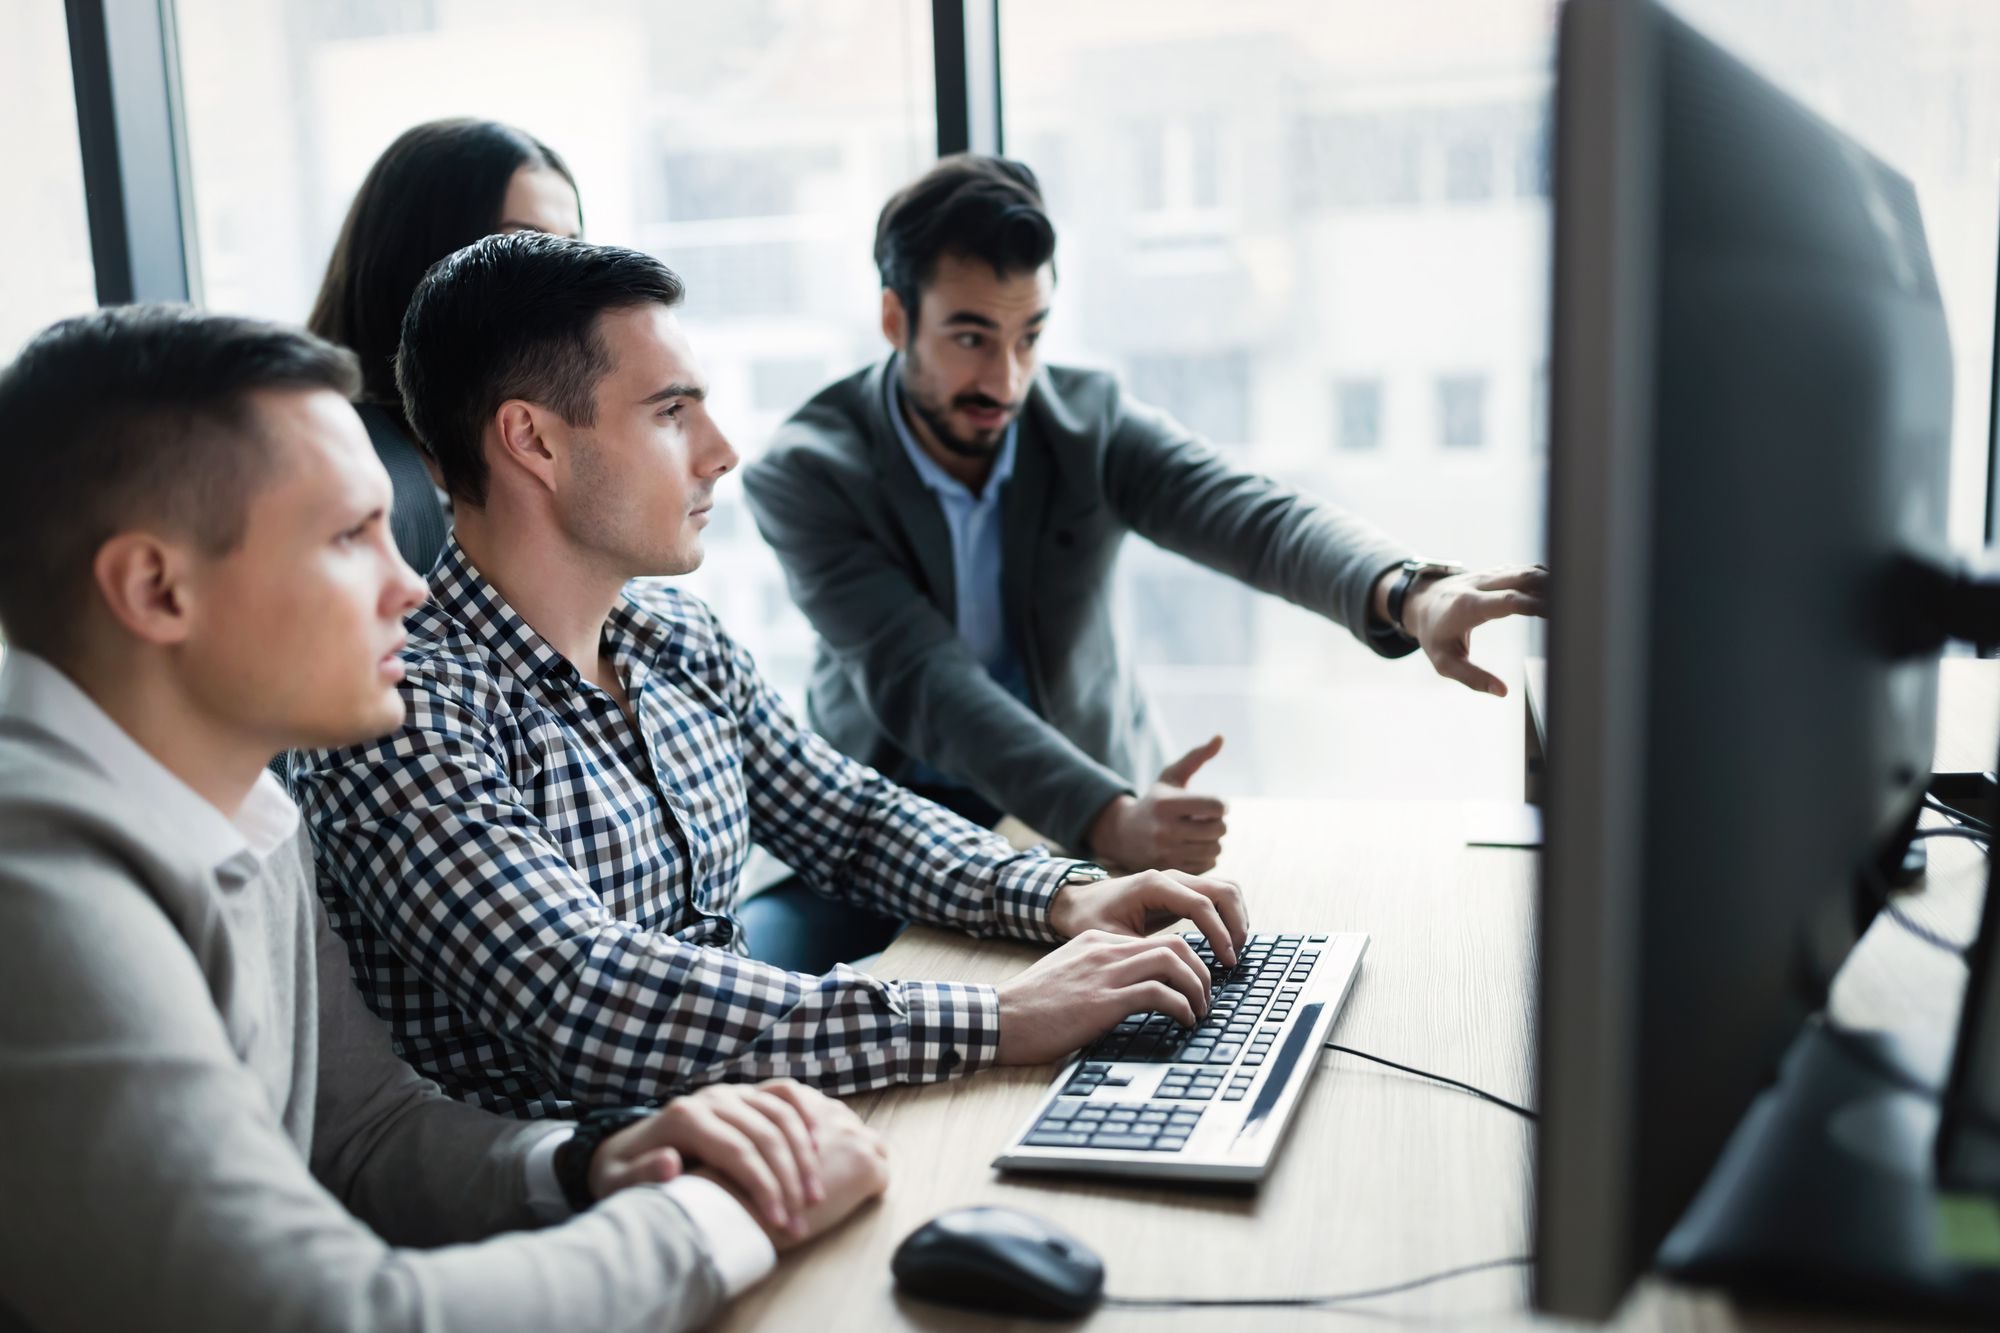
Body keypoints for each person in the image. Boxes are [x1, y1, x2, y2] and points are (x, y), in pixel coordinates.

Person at [0, 306, 889, 1333]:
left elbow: (363, 1131)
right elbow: (327, 1314)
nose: (411, 586)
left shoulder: (244, 804)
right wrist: (718, 1217)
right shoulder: (36, 893)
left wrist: (593, 1161)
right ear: (156, 590)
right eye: (348, 536)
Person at [292, 232, 1250, 1122]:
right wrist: (999, 1015)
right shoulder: (398, 701)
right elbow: (584, 998)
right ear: (533, 441)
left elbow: (846, 818)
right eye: (672, 412)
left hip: (774, 1135)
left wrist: (1062, 895)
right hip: (591, 1217)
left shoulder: (672, 632)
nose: (721, 451)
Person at [742, 154, 1549, 875]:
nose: (1009, 379)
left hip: (1095, 812)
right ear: (895, 320)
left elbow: (1256, 519)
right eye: (970, 338)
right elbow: (921, 676)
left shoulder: (1086, 422)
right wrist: (1107, 817)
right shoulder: (807, 473)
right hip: (903, 820)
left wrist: (1409, 591)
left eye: (1031, 335)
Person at [308, 117, 584, 571]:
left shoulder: (529, 435)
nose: (563, 282)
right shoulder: (343, 468)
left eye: (570, 249)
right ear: (425, 256)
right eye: (525, 245)